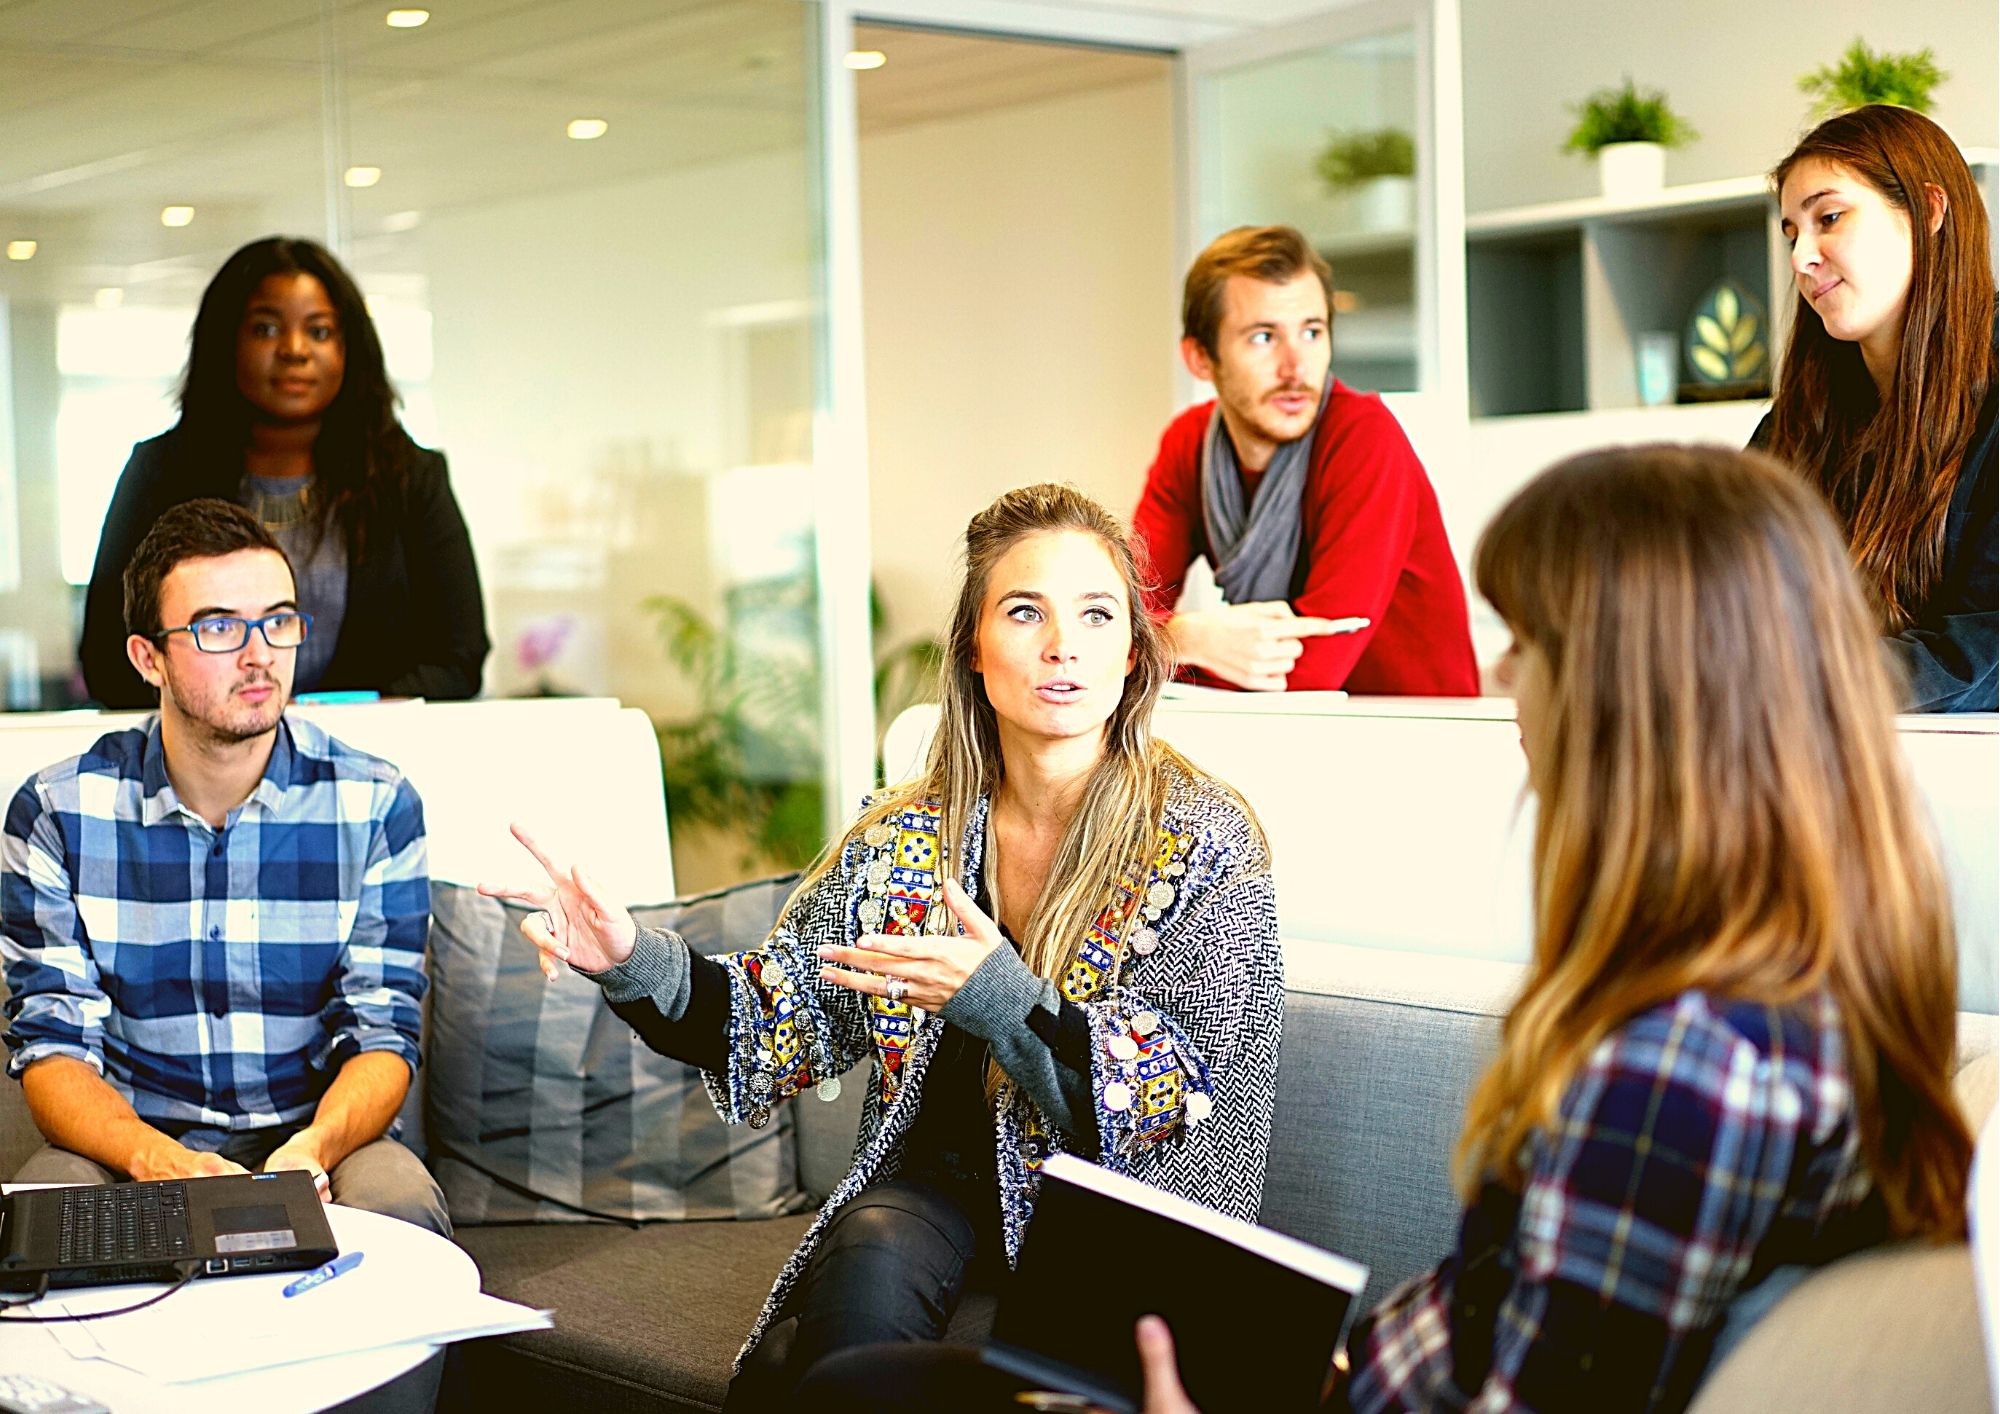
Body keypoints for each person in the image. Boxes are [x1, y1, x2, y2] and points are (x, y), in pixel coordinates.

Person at [1095, 445, 1972, 1413]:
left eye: (1527, 641)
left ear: (1627, 688)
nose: (1501, 674)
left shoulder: (1679, 1070)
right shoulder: (1785, 979)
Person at [485, 483, 1283, 1409]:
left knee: (801, 1378)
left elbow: (1191, 1102)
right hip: (931, 1191)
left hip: (1114, 1216)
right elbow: (771, 1016)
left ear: (1133, 654)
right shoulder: (907, 833)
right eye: (1025, 611)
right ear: (974, 651)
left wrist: (998, 995)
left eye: (1097, 615)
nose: (1063, 644)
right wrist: (628, 957)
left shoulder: (1204, 840)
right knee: (848, 1308)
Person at [2, 499, 447, 1236]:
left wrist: (311, 1150)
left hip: (321, 1139)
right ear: (149, 657)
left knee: (400, 1205)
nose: (259, 654)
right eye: (217, 627)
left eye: (278, 621)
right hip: (130, 1142)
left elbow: (383, 1034)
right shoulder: (57, 812)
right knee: (41, 1211)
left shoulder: (376, 804)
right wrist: (156, 1159)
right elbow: (53, 1048)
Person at [79, 235, 489, 708]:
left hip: (371, 757)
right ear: (225, 341)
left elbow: (459, 658)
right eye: (266, 330)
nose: (295, 350)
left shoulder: (410, 478)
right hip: (202, 767)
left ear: (349, 348)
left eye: (319, 332)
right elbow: (109, 662)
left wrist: (340, 716)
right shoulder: (161, 476)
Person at [1130, 225, 1477, 695]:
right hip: (1287, 731)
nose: (1296, 367)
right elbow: (1119, 614)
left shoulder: (1363, 436)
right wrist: (1185, 637)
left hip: (1417, 736)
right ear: (1200, 359)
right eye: (1263, 337)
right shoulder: (1189, 443)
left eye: (1312, 332)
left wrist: (1160, 645)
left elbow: (1312, 668)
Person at [1755, 103, 1996, 712]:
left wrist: (1794, 688)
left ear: (1929, 211)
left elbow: (1985, 646)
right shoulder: (1798, 421)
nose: (1801, 258)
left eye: (1828, 218)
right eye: (1791, 232)